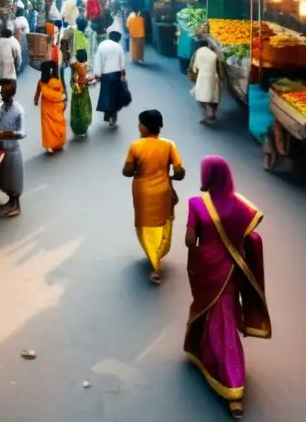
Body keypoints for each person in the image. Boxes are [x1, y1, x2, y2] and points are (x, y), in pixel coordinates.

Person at [184, 156, 271, 419]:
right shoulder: (240, 205)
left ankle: (233, 387)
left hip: (206, 272)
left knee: (218, 321)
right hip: (231, 273)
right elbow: (249, 238)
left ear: (207, 176)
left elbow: (190, 241)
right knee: (225, 317)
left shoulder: (197, 204)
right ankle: (207, 358)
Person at [123, 110, 185, 284]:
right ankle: (158, 257)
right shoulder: (169, 145)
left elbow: (127, 172)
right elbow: (180, 173)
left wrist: (137, 167)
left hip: (143, 192)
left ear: (145, 127)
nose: (138, 126)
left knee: (145, 227)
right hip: (163, 191)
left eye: (140, 123)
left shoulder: (136, 146)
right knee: (164, 224)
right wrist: (169, 176)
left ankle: (154, 263)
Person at [0, 81, 26, 218]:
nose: (3, 96)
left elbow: (22, 132)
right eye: (2, 93)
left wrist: (6, 134)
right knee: (5, 177)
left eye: (5, 94)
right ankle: (10, 200)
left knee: (14, 178)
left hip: (12, 149)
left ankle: (16, 204)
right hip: (1, 147)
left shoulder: (19, 110)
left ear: (12, 94)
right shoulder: (1, 108)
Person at [94, 30, 127, 129]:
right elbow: (122, 63)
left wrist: (97, 75)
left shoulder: (102, 45)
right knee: (114, 97)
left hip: (105, 74)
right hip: (116, 74)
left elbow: (98, 60)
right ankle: (113, 119)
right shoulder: (118, 47)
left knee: (106, 95)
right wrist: (123, 75)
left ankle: (107, 115)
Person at [34, 60, 67, 154]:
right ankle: (59, 143)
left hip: (46, 107)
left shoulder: (41, 82)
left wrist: (36, 100)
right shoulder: (57, 82)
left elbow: (37, 93)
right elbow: (62, 93)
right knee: (59, 124)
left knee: (48, 126)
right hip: (57, 106)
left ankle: (50, 146)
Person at [190, 38, 222, 123]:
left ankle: (206, 114)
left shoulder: (197, 52)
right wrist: (221, 77)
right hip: (214, 76)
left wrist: (194, 75)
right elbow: (219, 68)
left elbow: (194, 68)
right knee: (214, 97)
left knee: (200, 97)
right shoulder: (214, 54)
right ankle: (212, 114)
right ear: (208, 45)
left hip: (202, 77)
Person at [70, 49, 93, 139]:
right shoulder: (84, 67)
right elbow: (85, 80)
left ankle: (77, 129)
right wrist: (94, 78)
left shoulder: (74, 66)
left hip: (75, 92)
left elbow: (73, 80)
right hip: (83, 92)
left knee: (76, 111)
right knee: (84, 110)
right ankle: (82, 129)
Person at [13, 8, 30, 74]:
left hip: (21, 39)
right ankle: (22, 69)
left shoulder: (19, 20)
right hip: (25, 38)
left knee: (20, 54)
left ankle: (18, 70)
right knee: (24, 53)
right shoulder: (24, 19)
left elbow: (18, 33)